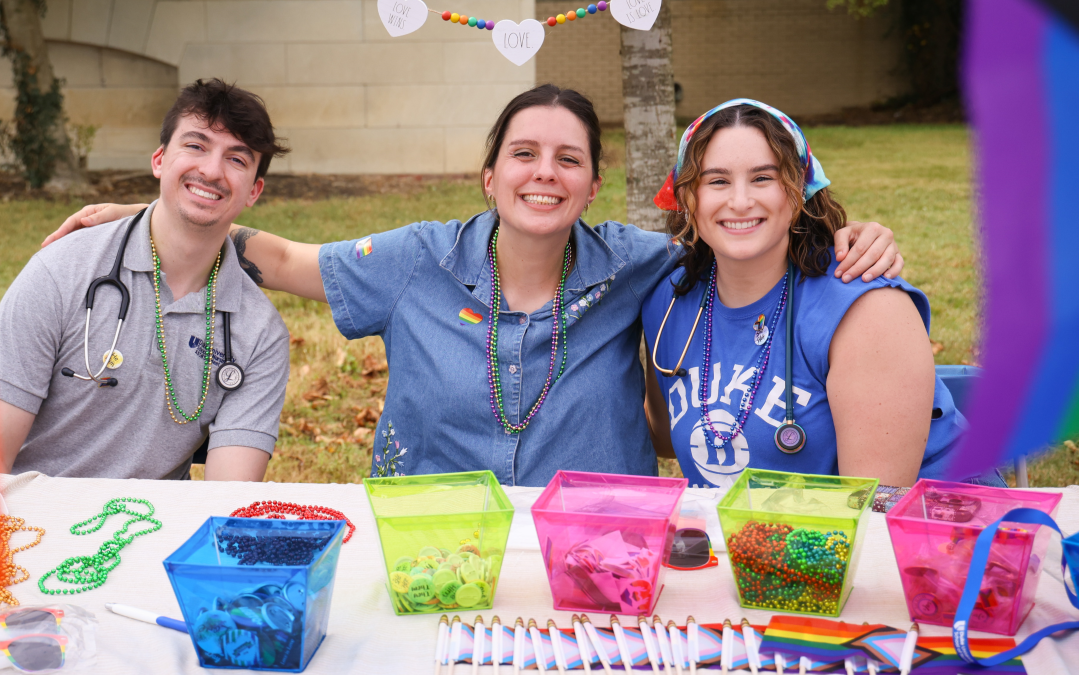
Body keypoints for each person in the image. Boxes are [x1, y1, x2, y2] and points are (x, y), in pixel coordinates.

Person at [44, 85, 904, 487]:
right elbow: (284, 258)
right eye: (523, 154)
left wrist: (851, 236)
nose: (544, 173)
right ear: (487, 175)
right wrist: (159, 207)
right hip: (431, 542)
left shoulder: (643, 265)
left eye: (569, 158)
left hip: (596, 547)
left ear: (593, 186)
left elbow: (744, 232)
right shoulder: (419, 257)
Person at [642, 99, 962, 488]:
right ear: (688, 198)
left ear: (798, 191)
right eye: (717, 181)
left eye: (763, 178)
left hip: (932, 529)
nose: (740, 201)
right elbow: (663, 437)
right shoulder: (671, 300)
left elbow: (875, 507)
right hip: (748, 536)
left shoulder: (867, 308)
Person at [0, 79, 291, 480]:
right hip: (33, 525)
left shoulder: (260, 334)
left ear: (254, 191)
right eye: (195, 146)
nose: (211, 170)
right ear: (160, 160)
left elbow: (227, 501)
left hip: (153, 531)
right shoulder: (61, 271)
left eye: (237, 159)